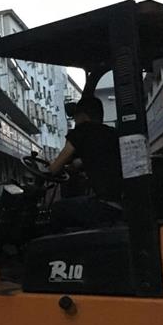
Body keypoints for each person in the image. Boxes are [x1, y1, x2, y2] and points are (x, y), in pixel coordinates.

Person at [47, 96, 123, 229]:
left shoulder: (82, 131)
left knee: (57, 209)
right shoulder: (111, 133)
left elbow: (54, 168)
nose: (75, 121)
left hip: (105, 206)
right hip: (120, 203)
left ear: (83, 116)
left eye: (75, 117)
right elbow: (88, 161)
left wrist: (49, 168)